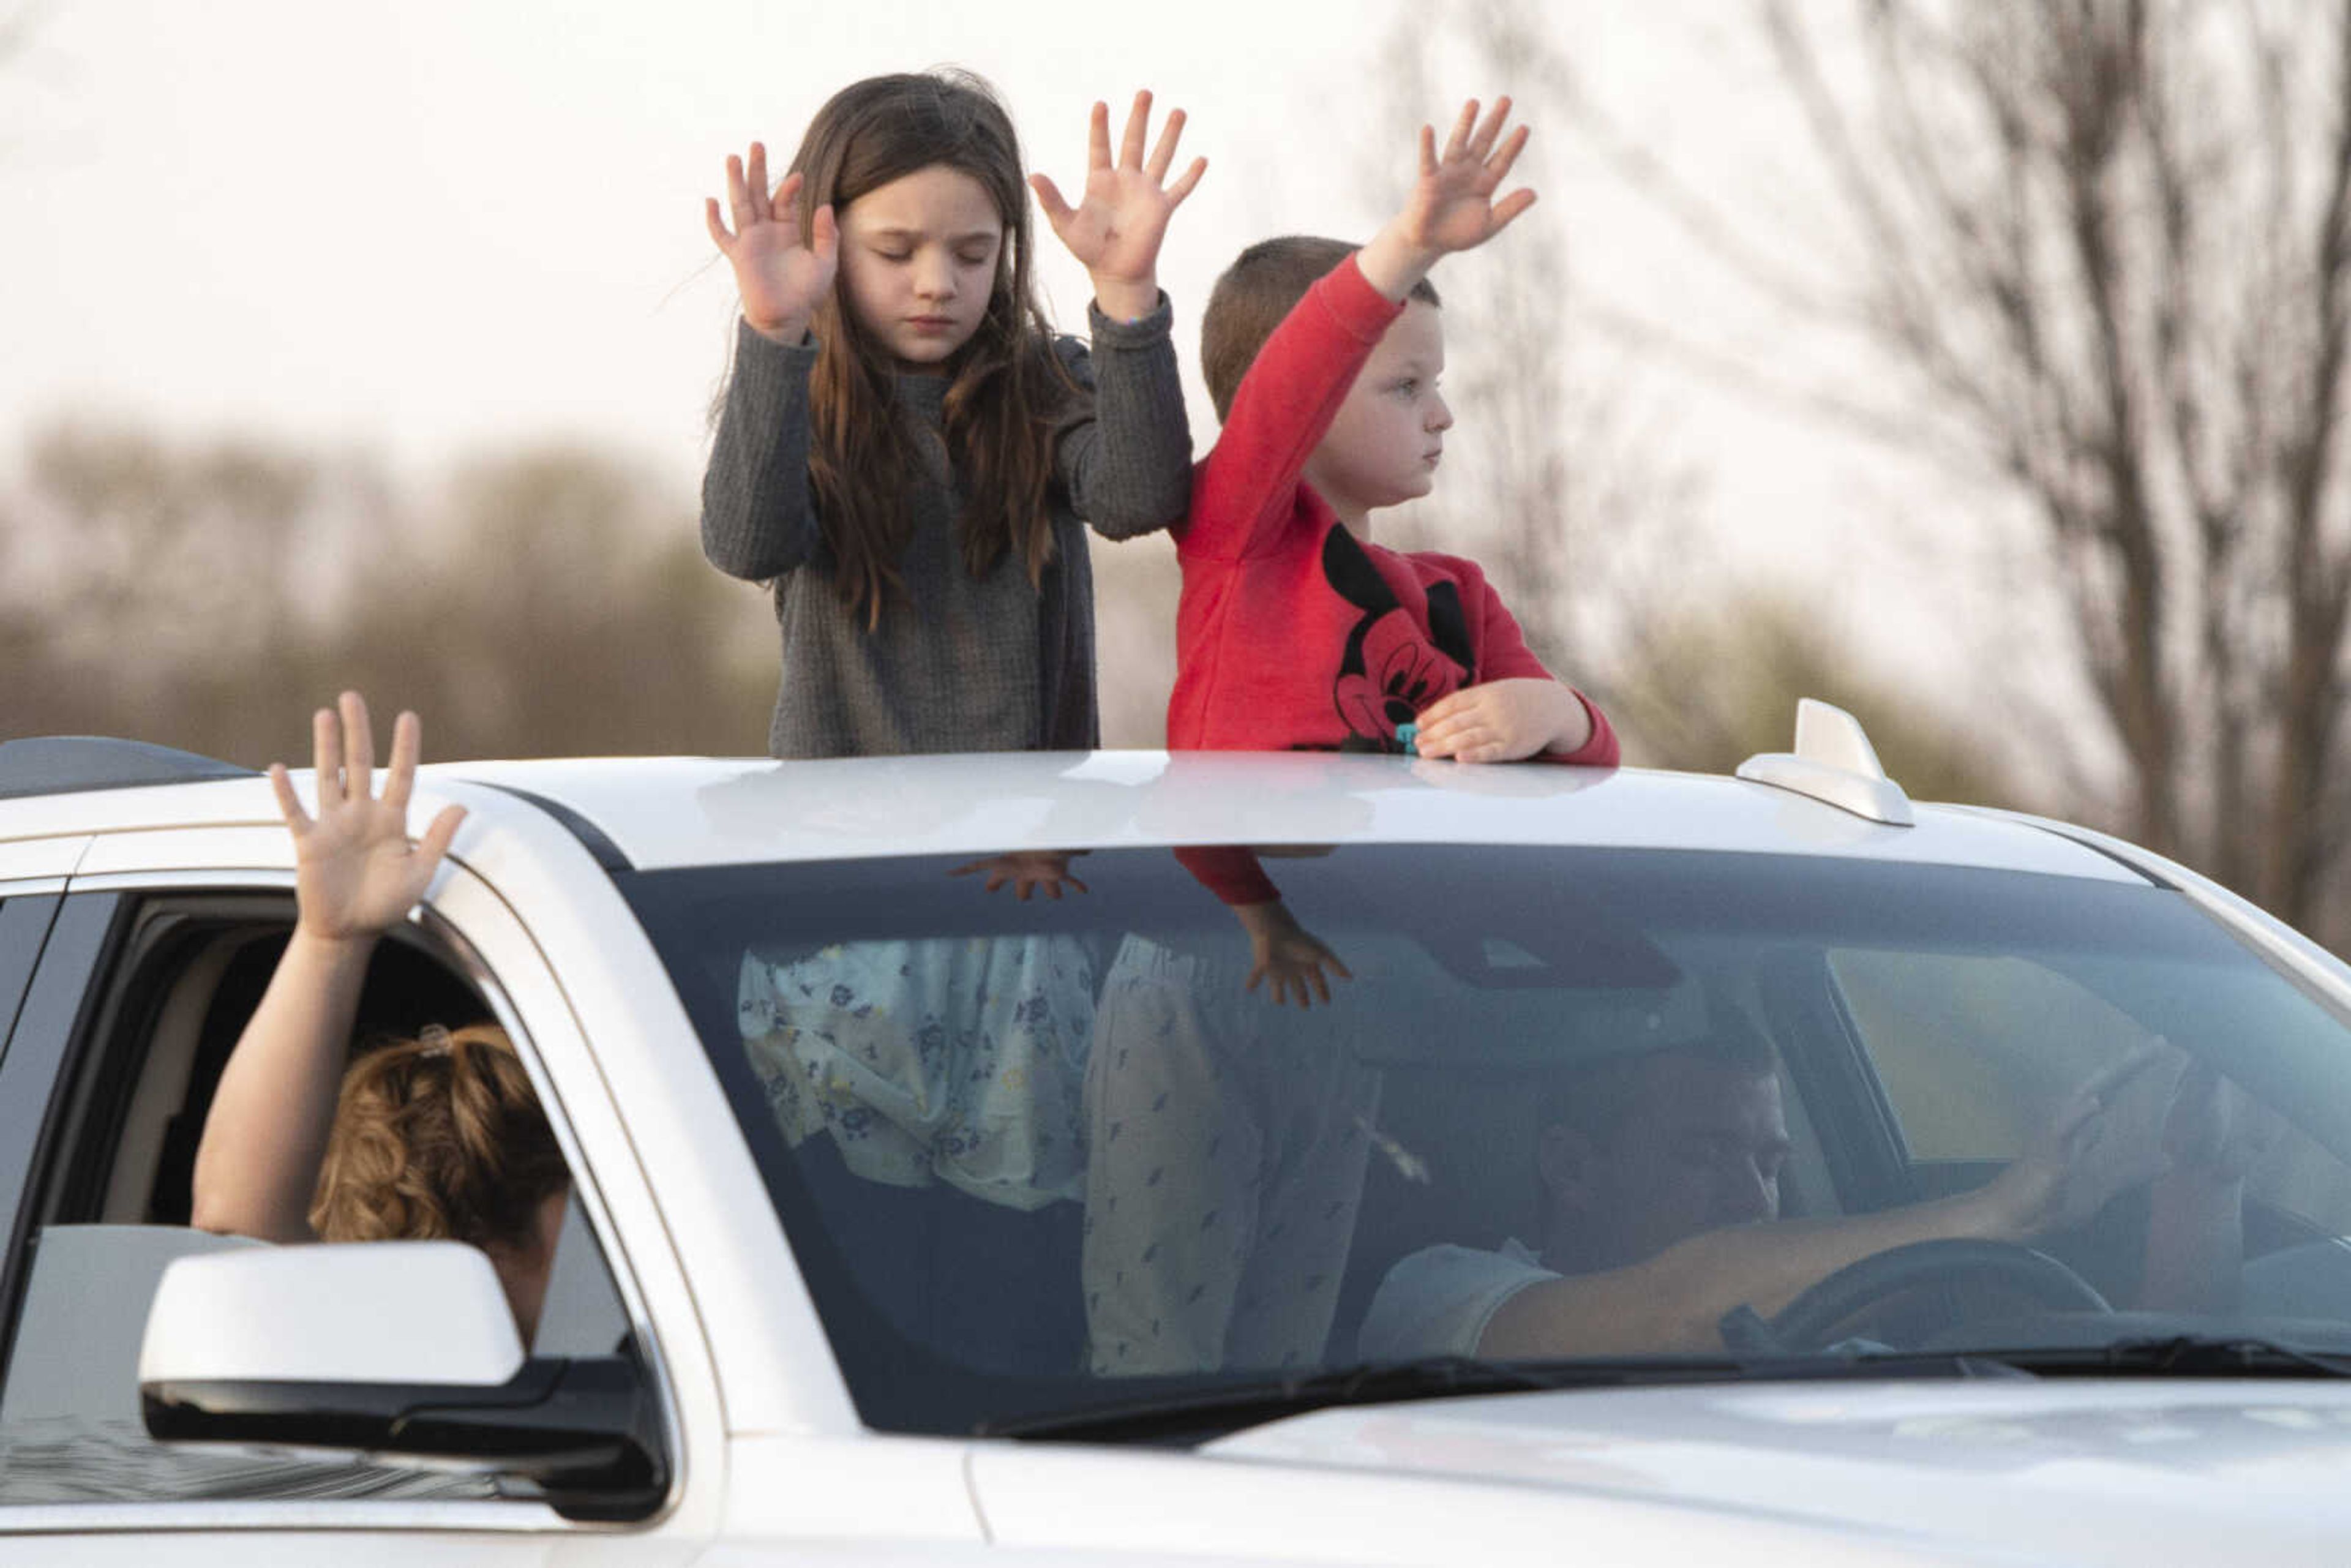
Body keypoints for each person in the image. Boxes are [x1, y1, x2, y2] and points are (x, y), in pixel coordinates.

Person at [1083, 97, 1619, 1376]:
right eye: (1404, 384)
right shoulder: (1238, 530)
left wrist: (1551, 711)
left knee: (1292, 1336)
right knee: (1163, 1345)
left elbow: (1593, 766)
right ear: (1309, 395)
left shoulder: (1453, 595)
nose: (1440, 414)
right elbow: (1290, 384)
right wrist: (1405, 246)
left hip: (1355, 980)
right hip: (1201, 960)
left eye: (1441, 385)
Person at [699, 70, 1201, 760]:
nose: (938, 283)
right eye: (895, 252)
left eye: (973, 254)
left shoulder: (1043, 384)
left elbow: (1141, 500)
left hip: (1033, 845)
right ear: (828, 241)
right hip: (845, 845)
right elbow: (747, 545)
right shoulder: (795, 394)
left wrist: (1126, 293)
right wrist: (774, 333)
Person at [1359, 1029, 2255, 1360]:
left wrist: (2203, 1178)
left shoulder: (1847, 1347)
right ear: (1572, 1166)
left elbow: (2136, 1412)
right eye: (1705, 1154)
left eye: (1771, 1159)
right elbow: (1679, 1309)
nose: (1754, 1194)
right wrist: (1999, 1211)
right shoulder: (1444, 1297)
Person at [190, 693, 571, 1343]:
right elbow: (240, 1224)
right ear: (488, 1254)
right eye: (579, 1210)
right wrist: (328, 943)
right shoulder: (374, 1376)